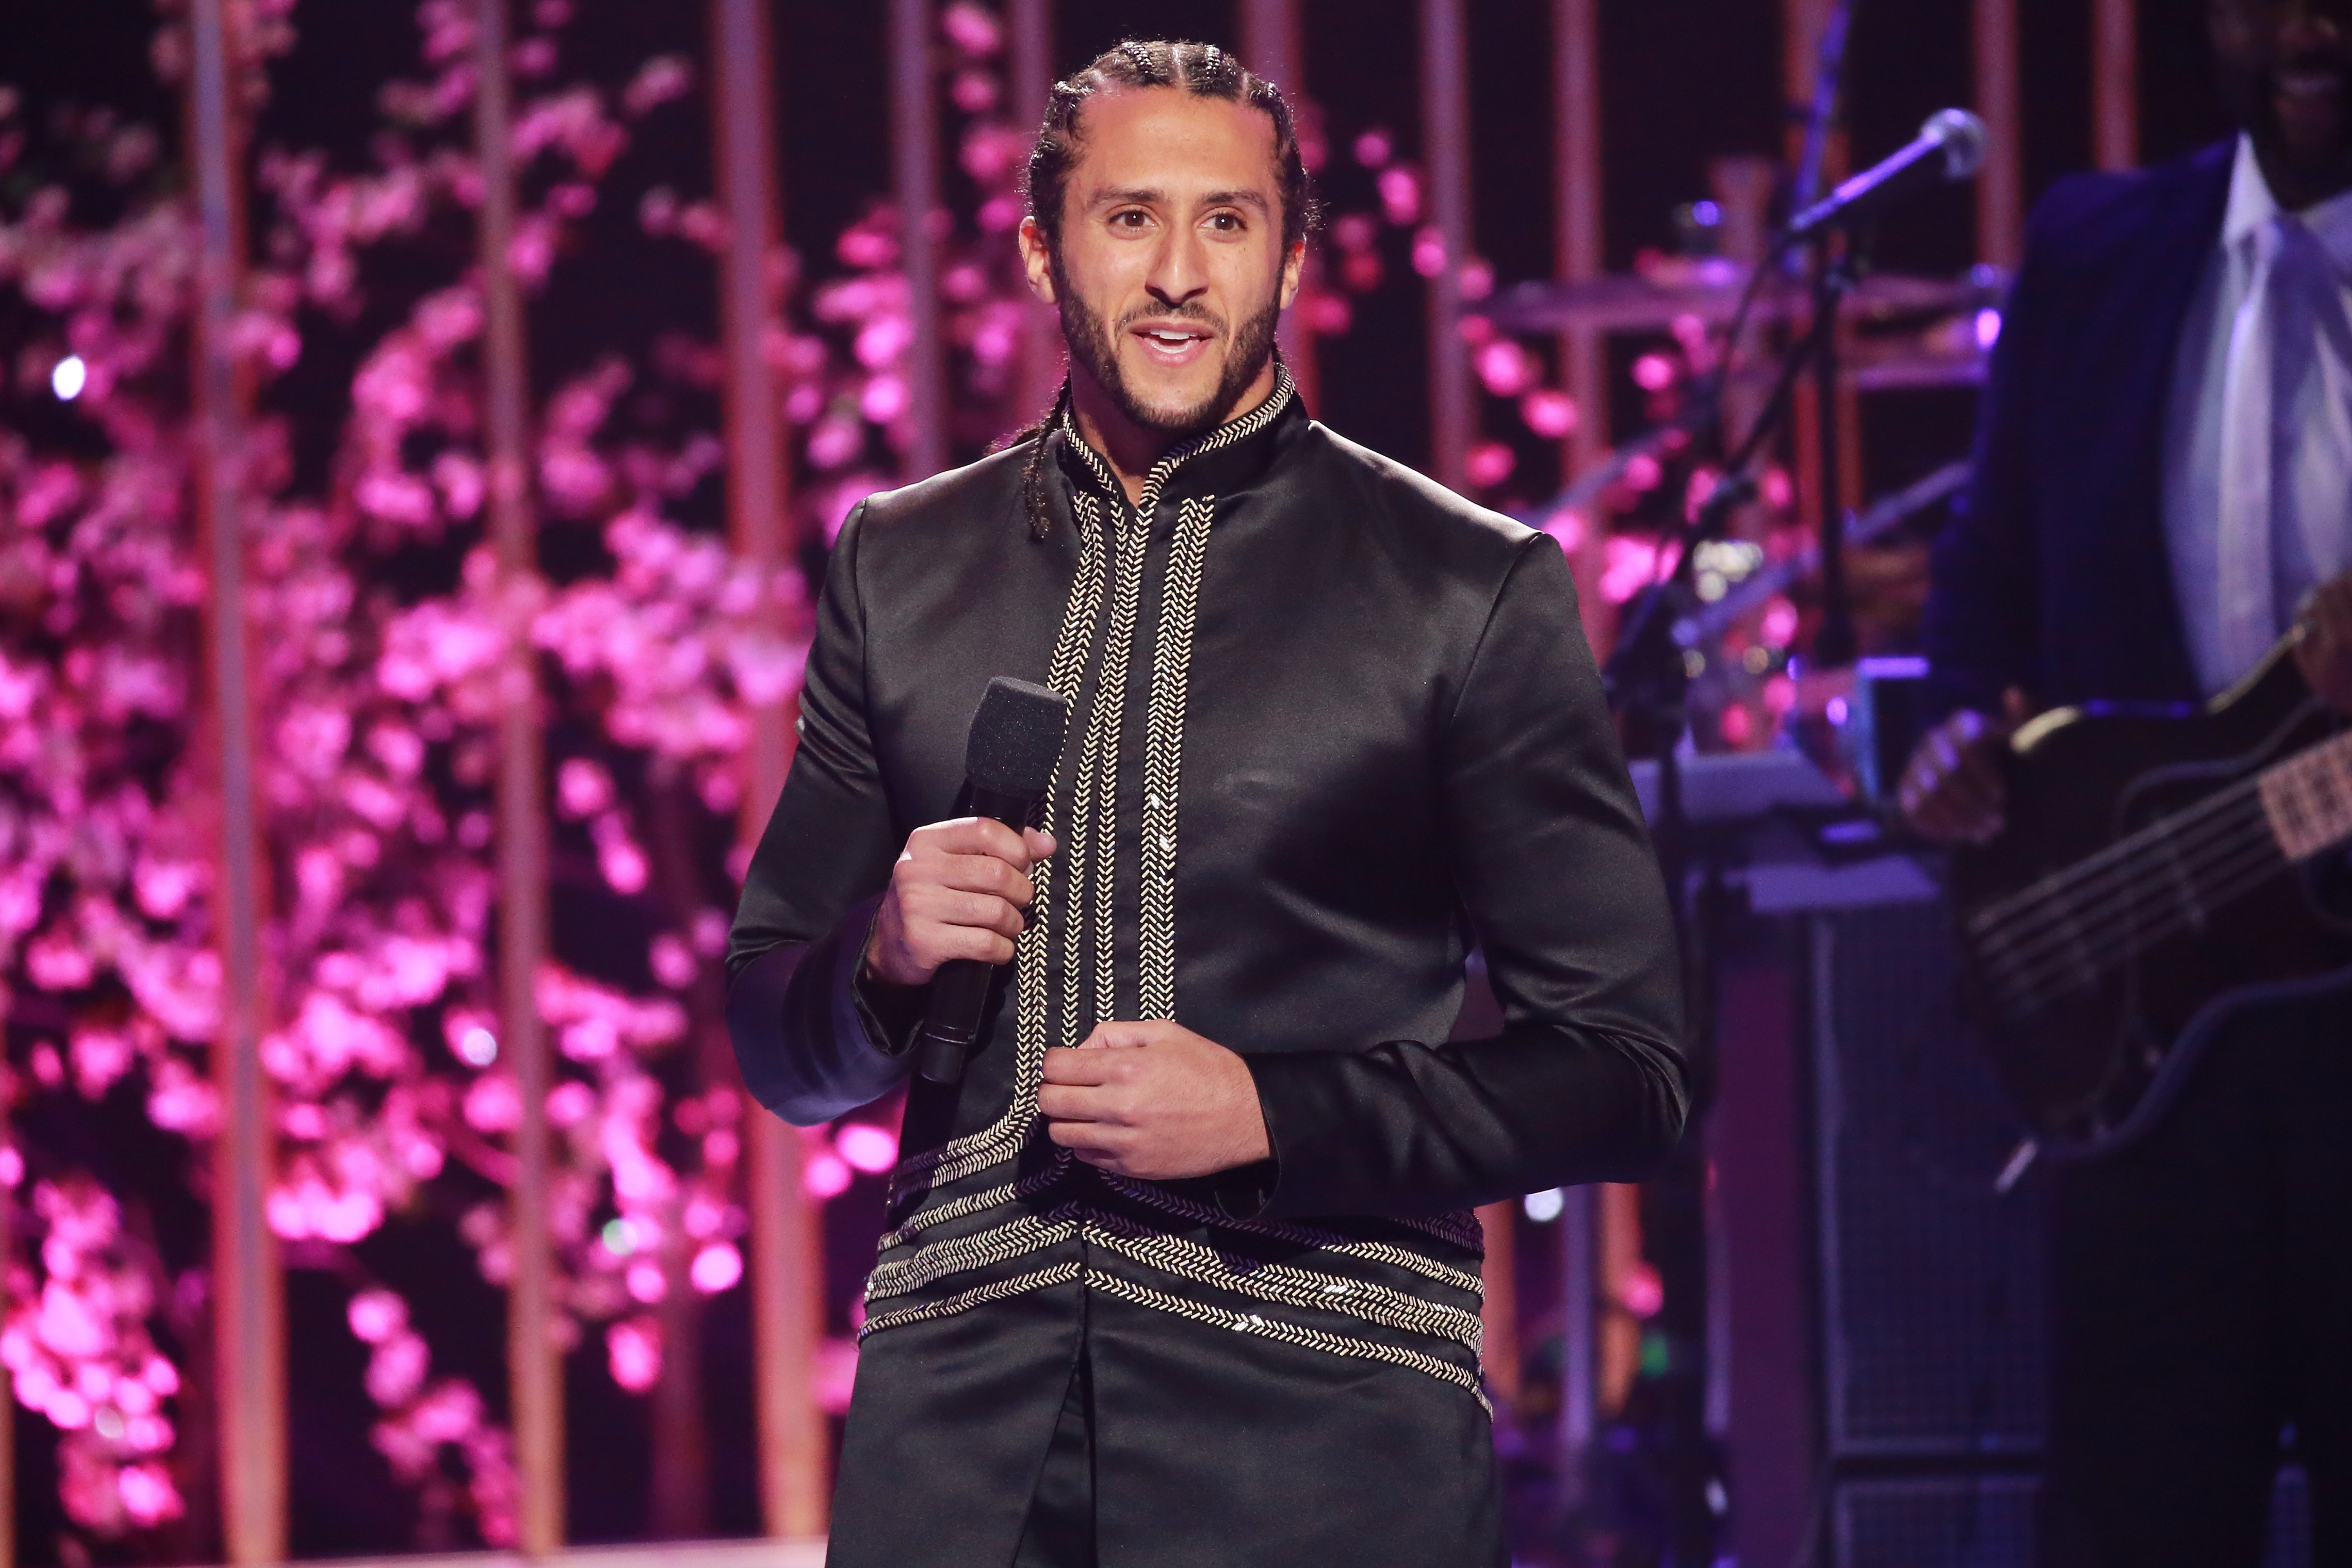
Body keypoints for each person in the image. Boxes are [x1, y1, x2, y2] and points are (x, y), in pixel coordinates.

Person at [726, 38, 1686, 1568]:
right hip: (959, 1456)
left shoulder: (1464, 589)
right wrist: (881, 961)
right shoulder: (898, 569)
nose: (1178, 272)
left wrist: (1272, 1114)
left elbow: (1634, 1069)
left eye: (1227, 223)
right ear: (1042, 246)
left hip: (1319, 1442)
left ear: (1293, 251)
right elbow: (774, 1041)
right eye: (1129, 219)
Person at [1903, 0, 2352, 1561]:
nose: (2308, 25)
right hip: (2163, 1027)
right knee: (2138, 1516)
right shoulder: (2101, 245)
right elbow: (1985, 574)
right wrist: (1954, 728)